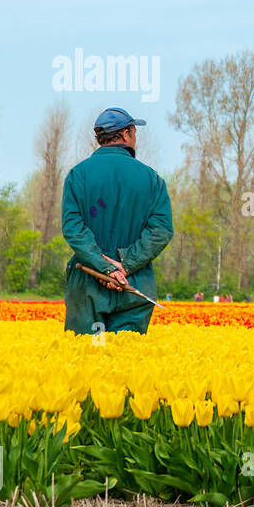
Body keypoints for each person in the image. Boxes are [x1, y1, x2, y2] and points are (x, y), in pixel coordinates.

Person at [61, 107, 173, 336]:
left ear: (98, 138)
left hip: (88, 282)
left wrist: (106, 267)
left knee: (86, 359)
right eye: (134, 132)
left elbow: (73, 228)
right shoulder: (152, 179)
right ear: (126, 133)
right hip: (135, 285)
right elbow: (160, 230)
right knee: (126, 361)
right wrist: (126, 265)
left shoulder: (78, 175)